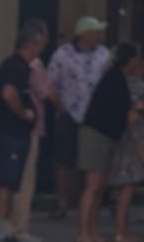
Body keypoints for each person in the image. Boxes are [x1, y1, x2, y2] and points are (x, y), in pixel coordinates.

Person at [75, 42, 144, 242]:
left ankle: (92, 230)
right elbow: (123, 112)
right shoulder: (115, 78)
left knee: (101, 186)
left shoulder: (116, 77)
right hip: (96, 134)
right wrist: (137, 108)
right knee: (93, 185)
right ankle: (83, 232)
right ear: (132, 60)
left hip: (106, 135)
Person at [0, 23, 45, 242]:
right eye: (41, 44)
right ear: (31, 44)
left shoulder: (22, 68)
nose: (42, 48)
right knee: (5, 185)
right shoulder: (13, 67)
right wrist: (24, 114)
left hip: (18, 135)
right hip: (11, 133)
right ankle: (0, 236)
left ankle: (7, 233)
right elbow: (9, 94)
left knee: (11, 185)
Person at [46, 16, 111, 220]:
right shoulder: (62, 54)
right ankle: (62, 202)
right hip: (70, 112)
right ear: (84, 34)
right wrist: (60, 107)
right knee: (63, 159)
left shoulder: (104, 54)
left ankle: (92, 203)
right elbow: (50, 83)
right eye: (96, 31)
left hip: (96, 116)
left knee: (93, 161)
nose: (100, 35)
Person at [106, 45, 144, 242]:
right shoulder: (137, 85)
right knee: (128, 184)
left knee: (127, 184)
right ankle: (120, 230)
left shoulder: (124, 82)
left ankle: (123, 228)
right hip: (134, 138)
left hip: (130, 137)